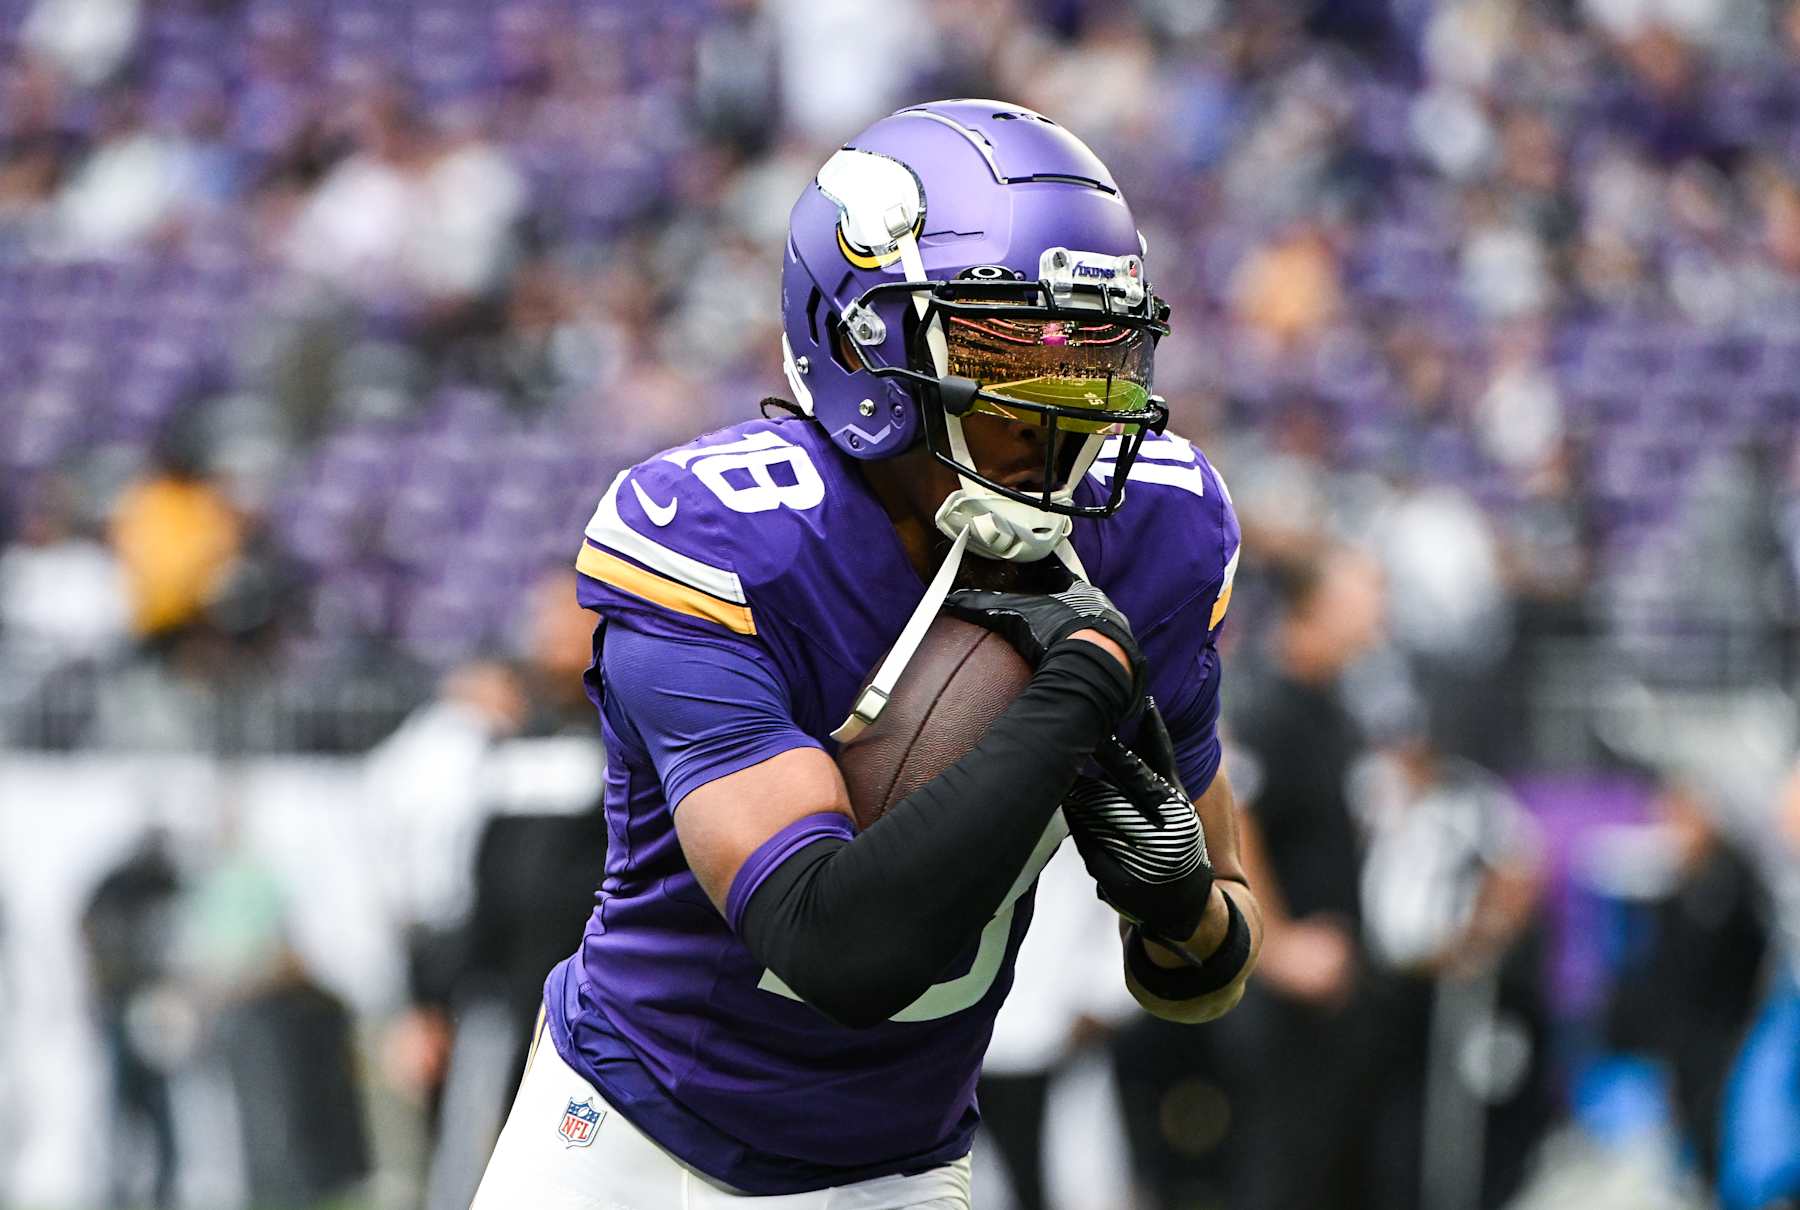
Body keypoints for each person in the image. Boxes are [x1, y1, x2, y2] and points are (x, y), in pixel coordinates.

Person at [471, 100, 1262, 1208]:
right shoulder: (730, 534)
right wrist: (1073, 688)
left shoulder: (1157, 533)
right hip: (630, 1138)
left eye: (1091, 367)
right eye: (1008, 362)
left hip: (900, 1167)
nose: (1061, 427)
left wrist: (1183, 910)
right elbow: (829, 946)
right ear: (863, 346)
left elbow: (1208, 974)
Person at [1223, 547, 1385, 1210]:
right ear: (1315, 606)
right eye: (1365, 596)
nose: (1381, 613)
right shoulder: (1266, 699)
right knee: (1281, 1173)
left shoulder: (1336, 705)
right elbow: (1231, 814)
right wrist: (1276, 943)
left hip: (1335, 985)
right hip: (1279, 999)